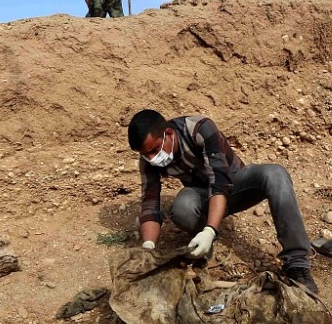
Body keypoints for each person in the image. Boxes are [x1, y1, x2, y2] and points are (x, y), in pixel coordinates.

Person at [126, 109, 317, 293]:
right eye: (145, 154)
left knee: (276, 174)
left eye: (153, 150)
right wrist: (148, 247)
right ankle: (204, 241)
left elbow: (219, 182)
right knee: (182, 207)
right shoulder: (149, 161)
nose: (151, 158)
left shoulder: (199, 128)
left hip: (236, 185)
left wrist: (209, 230)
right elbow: (150, 202)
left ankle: (297, 263)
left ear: (168, 133)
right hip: (203, 195)